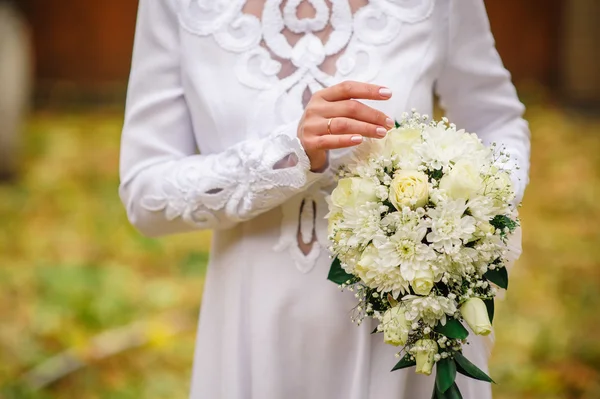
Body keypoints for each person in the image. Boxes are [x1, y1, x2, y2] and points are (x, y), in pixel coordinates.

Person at [119, 1, 530, 398]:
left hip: (407, 324)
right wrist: (284, 157)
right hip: (252, 322)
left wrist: (471, 215)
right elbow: (145, 193)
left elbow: (495, 119)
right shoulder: (177, 5)